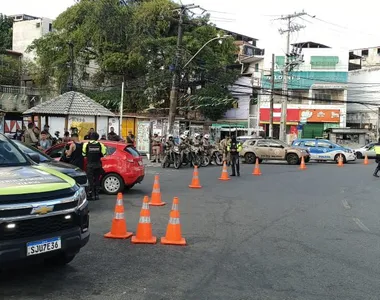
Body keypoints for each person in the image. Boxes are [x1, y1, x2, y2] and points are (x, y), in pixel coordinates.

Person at [82, 132, 107, 200]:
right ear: (97, 138)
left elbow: (84, 154)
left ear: (90, 137)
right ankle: (97, 195)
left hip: (90, 165)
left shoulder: (86, 144)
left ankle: (92, 195)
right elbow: (104, 154)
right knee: (97, 180)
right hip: (98, 165)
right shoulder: (101, 144)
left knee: (90, 181)